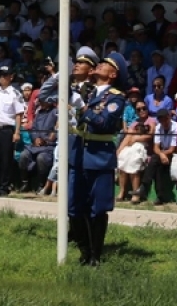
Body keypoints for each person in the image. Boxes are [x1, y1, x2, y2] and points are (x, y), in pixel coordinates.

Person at [68, 47, 127, 266]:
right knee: (74, 207)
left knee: (97, 209)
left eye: (106, 64)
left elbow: (104, 123)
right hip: (79, 155)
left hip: (99, 157)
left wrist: (83, 109)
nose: (99, 64)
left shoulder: (117, 98)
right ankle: (83, 251)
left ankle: (95, 255)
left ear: (113, 75)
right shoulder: (89, 92)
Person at [0, 65, 25, 197]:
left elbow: (19, 114)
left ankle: (4, 187)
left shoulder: (15, 94)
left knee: (6, 159)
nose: (2, 78)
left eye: (5, 75)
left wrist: (17, 132)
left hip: (7, 129)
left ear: (11, 77)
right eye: (0, 75)